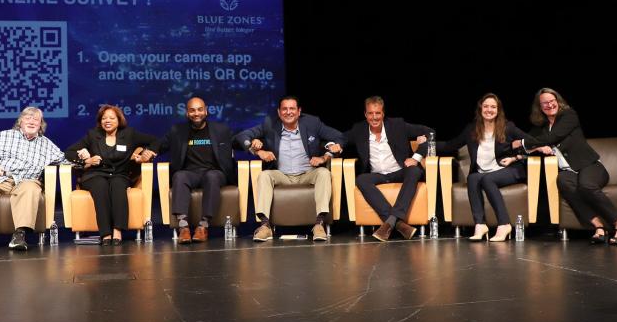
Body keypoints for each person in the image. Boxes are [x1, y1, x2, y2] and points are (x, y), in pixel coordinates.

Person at [514, 88, 617, 245]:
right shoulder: (540, 128)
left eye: (552, 101)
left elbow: (551, 137)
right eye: (544, 103)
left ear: (557, 101)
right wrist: (538, 147)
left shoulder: (569, 115)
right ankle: (598, 227)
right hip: (568, 172)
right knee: (562, 181)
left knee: (586, 185)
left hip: (590, 166)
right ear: (540, 108)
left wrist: (526, 143)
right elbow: (521, 145)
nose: (549, 105)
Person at [234, 95, 343, 242]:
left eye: (292, 108)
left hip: (308, 173)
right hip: (282, 175)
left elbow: (340, 137)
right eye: (284, 109)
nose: (288, 112)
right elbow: (241, 136)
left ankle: (319, 224)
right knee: (265, 175)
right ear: (279, 112)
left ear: (299, 111)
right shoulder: (270, 124)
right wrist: (258, 151)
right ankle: (265, 226)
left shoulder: (312, 123)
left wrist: (325, 156)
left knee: (324, 173)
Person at [0, 107, 65, 252]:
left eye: (36, 119)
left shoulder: (47, 144)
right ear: (20, 122)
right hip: (1, 177)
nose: (31, 121)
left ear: (41, 125)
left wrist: (85, 158)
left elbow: (65, 159)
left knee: (30, 189)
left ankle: (19, 235)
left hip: (28, 180)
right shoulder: (3, 136)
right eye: (28, 118)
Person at [141, 97, 234, 244]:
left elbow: (237, 141)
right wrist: (149, 151)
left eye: (199, 109)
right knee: (179, 176)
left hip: (214, 171)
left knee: (212, 177)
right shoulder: (178, 131)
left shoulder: (221, 130)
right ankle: (183, 227)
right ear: (187, 113)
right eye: (192, 110)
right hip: (190, 173)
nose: (196, 113)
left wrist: (254, 146)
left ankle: (203, 226)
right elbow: (160, 144)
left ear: (206, 111)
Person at [438, 93, 529, 242]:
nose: (489, 110)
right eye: (486, 106)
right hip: (484, 172)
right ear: (480, 109)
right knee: (473, 177)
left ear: (498, 110)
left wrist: (515, 157)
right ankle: (480, 225)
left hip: (508, 170)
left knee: (487, 180)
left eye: (493, 107)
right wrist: (426, 145)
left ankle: (504, 224)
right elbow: (450, 145)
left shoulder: (508, 127)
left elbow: (529, 142)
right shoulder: (472, 129)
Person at [64, 105, 157, 245]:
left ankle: (117, 231)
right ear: (100, 121)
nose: (107, 121)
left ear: (119, 120)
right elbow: (69, 152)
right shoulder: (93, 135)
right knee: (100, 186)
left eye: (111, 118)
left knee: (118, 185)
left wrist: (146, 154)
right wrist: (87, 160)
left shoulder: (129, 134)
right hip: (95, 175)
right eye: (104, 118)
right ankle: (105, 233)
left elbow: (155, 141)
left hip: (119, 174)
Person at [342, 96, 431, 242]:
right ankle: (399, 224)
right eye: (371, 113)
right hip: (377, 175)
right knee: (361, 179)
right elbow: (340, 139)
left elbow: (429, 132)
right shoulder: (359, 129)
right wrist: (331, 147)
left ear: (383, 114)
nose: (374, 117)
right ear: (365, 114)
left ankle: (391, 221)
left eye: (378, 113)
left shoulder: (397, 125)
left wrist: (416, 157)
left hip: (400, 171)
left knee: (414, 171)